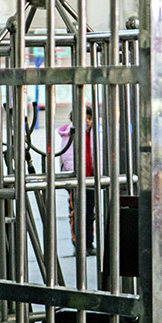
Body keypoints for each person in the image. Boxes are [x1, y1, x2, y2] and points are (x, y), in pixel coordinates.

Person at [57, 104, 96, 256]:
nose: (87, 121)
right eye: (83, 118)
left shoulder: (93, 134)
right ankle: (78, 244)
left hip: (91, 179)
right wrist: (73, 173)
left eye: (89, 118)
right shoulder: (70, 135)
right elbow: (67, 157)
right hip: (77, 180)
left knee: (90, 214)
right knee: (77, 213)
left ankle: (89, 242)